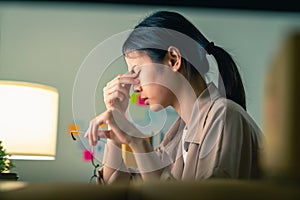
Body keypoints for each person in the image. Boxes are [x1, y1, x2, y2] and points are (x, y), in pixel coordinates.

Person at [84, 10, 263, 184]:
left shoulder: (224, 116)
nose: (134, 87)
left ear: (173, 60)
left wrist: (138, 142)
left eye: (137, 71)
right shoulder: (176, 138)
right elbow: (120, 191)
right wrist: (115, 122)